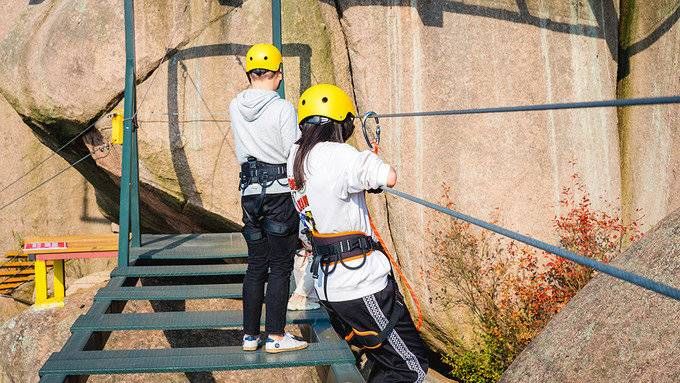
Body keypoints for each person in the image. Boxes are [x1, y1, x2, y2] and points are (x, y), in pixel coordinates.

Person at [287, 84, 428, 381]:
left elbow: (329, 192)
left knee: (385, 361)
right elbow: (389, 176)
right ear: (342, 123)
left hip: (330, 284)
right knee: (410, 367)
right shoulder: (340, 156)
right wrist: (368, 159)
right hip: (360, 283)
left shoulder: (296, 155)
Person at [229, 43, 307, 353]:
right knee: (280, 266)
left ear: (249, 73)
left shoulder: (235, 105)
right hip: (278, 193)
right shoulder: (283, 107)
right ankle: (276, 336)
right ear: (278, 74)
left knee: (255, 265)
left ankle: (249, 336)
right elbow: (293, 149)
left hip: (249, 192)